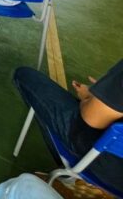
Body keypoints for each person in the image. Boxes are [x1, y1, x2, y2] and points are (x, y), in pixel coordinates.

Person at [13, 60, 123, 193]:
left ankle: (69, 175)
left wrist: (91, 97)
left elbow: (90, 118)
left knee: (24, 75)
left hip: (107, 167)